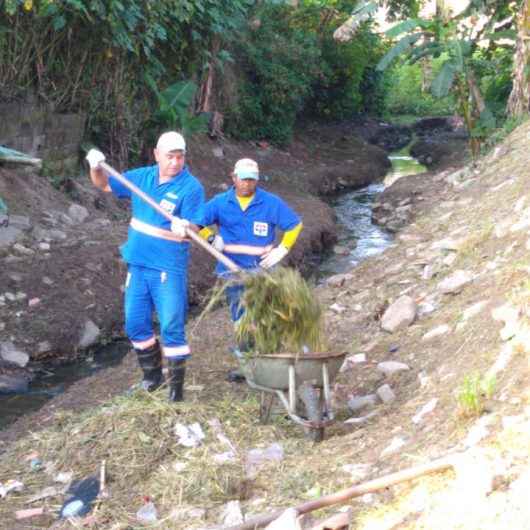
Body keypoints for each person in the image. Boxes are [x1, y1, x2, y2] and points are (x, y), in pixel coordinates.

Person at [85, 131, 205, 402]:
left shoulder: (191, 187)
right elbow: (104, 185)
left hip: (167, 268)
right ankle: (153, 380)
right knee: (136, 325)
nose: (175, 162)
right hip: (138, 266)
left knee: (172, 326)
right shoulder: (142, 177)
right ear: (156, 154)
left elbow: (197, 226)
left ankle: (176, 394)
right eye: (170, 156)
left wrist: (186, 227)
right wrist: (95, 167)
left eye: (180, 156)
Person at [200, 158, 302, 380]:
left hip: (262, 272)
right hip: (232, 272)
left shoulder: (270, 203)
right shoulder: (220, 203)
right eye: (243, 179)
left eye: (252, 180)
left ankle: (270, 359)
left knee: (264, 316)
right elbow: (195, 222)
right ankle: (247, 365)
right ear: (233, 177)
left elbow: (295, 225)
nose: (247, 184)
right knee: (240, 319)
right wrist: (210, 238)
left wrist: (282, 249)